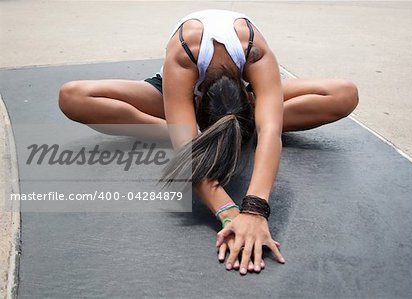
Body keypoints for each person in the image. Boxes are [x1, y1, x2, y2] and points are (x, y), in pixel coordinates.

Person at [58, 9, 359, 275]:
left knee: (344, 93)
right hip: (175, 93)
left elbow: (269, 131)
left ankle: (221, 128)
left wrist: (255, 210)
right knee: (73, 96)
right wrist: (228, 212)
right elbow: (189, 155)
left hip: (239, 95)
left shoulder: (254, 51)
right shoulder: (183, 54)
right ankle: (179, 131)